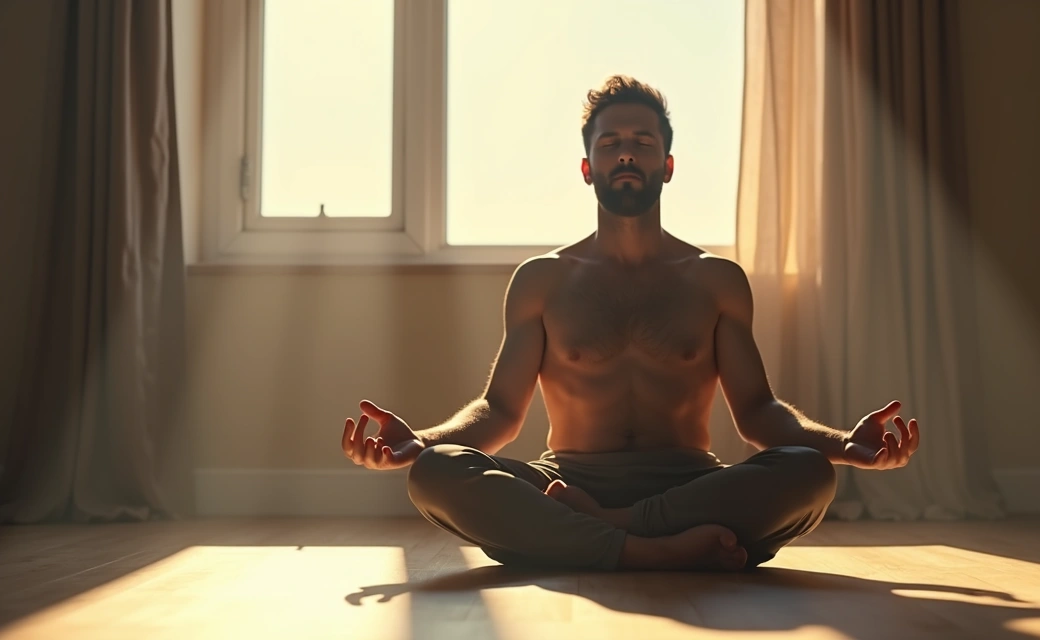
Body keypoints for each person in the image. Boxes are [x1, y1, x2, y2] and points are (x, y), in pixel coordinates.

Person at [340, 75, 919, 572]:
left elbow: (758, 414)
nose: (626, 154)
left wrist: (844, 445)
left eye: (642, 143)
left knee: (809, 473)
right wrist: (422, 442)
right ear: (587, 167)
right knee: (436, 473)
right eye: (611, 143)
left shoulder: (716, 280)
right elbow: (500, 413)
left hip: (689, 487)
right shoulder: (542, 279)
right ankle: (652, 551)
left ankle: (605, 535)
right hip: (567, 483)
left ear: (666, 167)